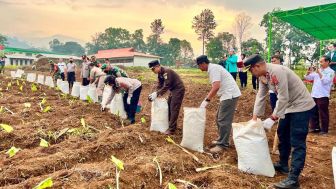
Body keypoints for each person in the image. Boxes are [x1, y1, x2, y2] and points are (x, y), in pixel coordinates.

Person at [245, 54, 315, 189]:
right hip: (288, 107)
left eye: (251, 70)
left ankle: (294, 179)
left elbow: (283, 97)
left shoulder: (277, 71)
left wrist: (273, 118)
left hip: (301, 106)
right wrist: (255, 116)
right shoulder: (263, 76)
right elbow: (261, 95)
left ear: (258, 66)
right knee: (283, 134)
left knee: (297, 141)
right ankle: (283, 164)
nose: (251, 74)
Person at [196, 55, 241, 153]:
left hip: (230, 95)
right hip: (226, 95)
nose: (199, 68)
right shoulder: (213, 68)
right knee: (218, 118)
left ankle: (223, 145)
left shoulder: (213, 69)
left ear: (203, 64)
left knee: (223, 120)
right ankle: (221, 139)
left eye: (199, 66)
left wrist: (206, 100)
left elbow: (216, 86)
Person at [148, 60, 185, 135]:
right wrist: (155, 94)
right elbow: (160, 84)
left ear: (157, 66)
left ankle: (172, 130)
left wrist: (157, 93)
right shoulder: (160, 73)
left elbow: (167, 85)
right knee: (169, 106)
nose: (152, 71)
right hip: (173, 90)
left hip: (178, 89)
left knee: (174, 108)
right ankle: (169, 124)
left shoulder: (166, 71)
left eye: (153, 69)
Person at [304, 56, 334, 135]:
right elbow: (308, 77)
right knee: (313, 111)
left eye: (321, 62)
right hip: (314, 94)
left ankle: (324, 130)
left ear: (327, 62)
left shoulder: (331, 72)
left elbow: (325, 81)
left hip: (323, 95)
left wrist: (319, 73)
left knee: (323, 113)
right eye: (319, 62)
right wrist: (308, 72)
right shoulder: (319, 70)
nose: (320, 63)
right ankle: (315, 127)